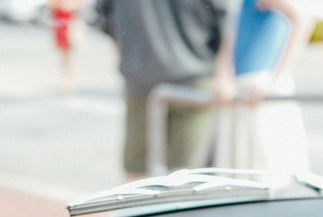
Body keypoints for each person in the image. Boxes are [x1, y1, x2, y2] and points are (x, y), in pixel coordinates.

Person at [95, 0, 238, 181]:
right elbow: (226, 18)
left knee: (163, 174)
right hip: (186, 78)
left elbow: (104, 16)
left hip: (171, 81)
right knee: (178, 175)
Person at [216, 0, 315, 174]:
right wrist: (224, 76)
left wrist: (276, 78)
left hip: (256, 86)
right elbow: (231, 35)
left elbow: (302, 20)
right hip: (243, 86)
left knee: (259, 169)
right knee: (244, 170)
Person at [48, 0, 84, 94]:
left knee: (70, 54)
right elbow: (50, 5)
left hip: (70, 22)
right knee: (63, 55)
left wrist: (67, 5)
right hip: (60, 21)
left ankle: (69, 81)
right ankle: (66, 80)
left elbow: (79, 5)